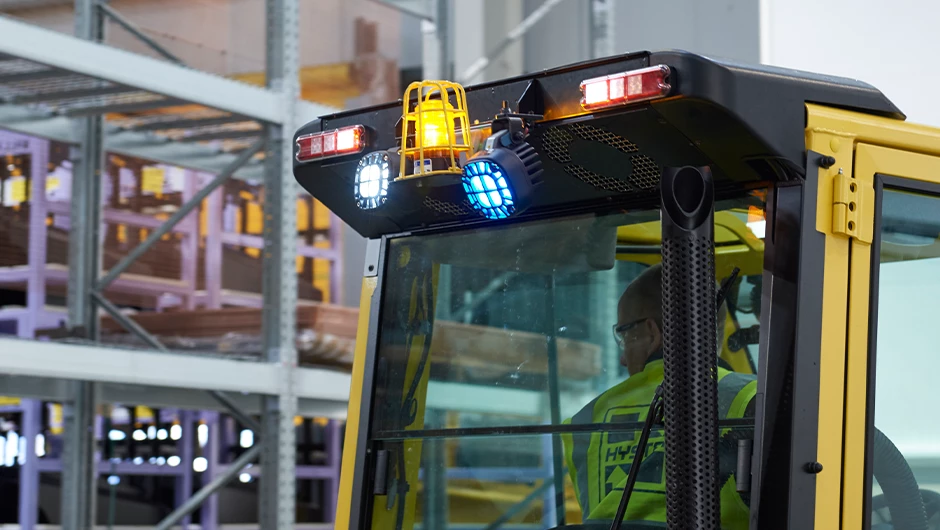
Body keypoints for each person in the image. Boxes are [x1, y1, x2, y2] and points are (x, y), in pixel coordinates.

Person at [560, 263, 757, 529]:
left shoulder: (584, 420)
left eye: (624, 337)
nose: (621, 358)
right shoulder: (754, 399)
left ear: (652, 333)